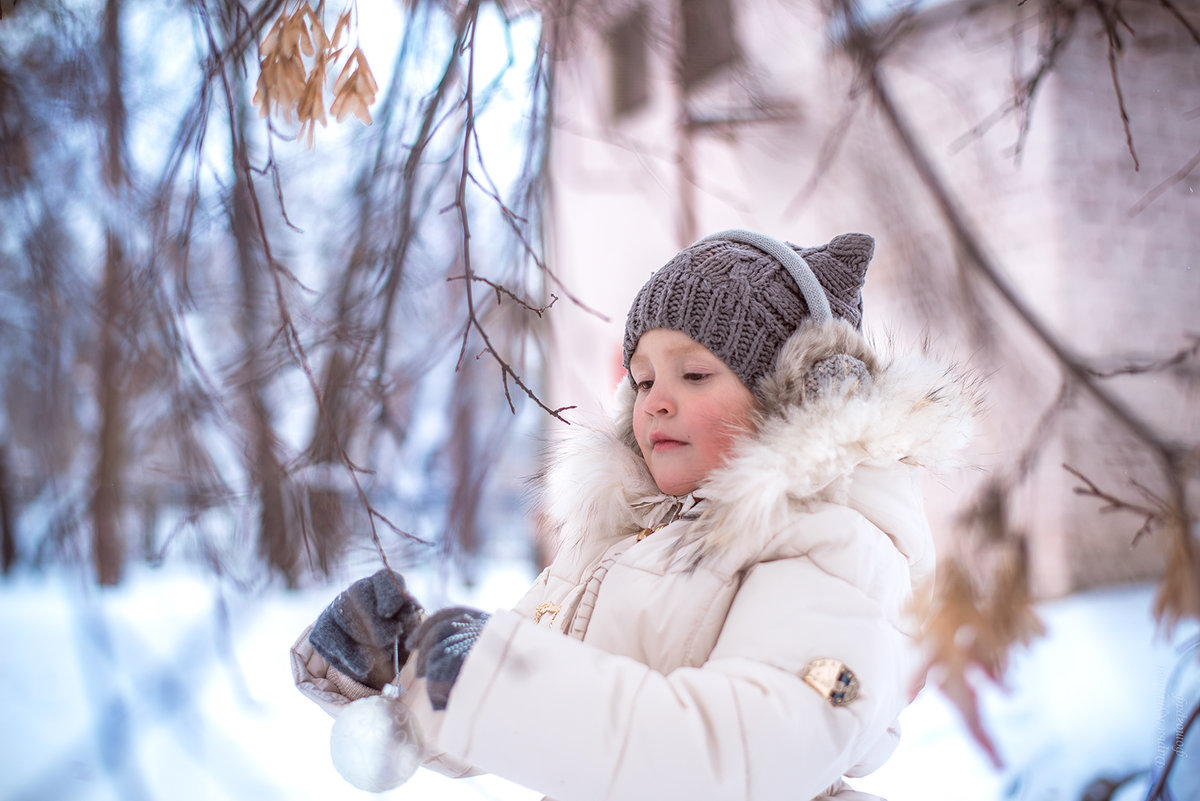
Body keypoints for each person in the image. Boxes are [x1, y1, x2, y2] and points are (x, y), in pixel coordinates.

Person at [291, 229, 979, 800]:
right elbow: (538, 707)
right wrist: (404, 664)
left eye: (695, 373)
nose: (654, 400)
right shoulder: (629, 538)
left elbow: (733, 754)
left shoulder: (835, 547)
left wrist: (490, 674)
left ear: (795, 394)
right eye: (643, 378)